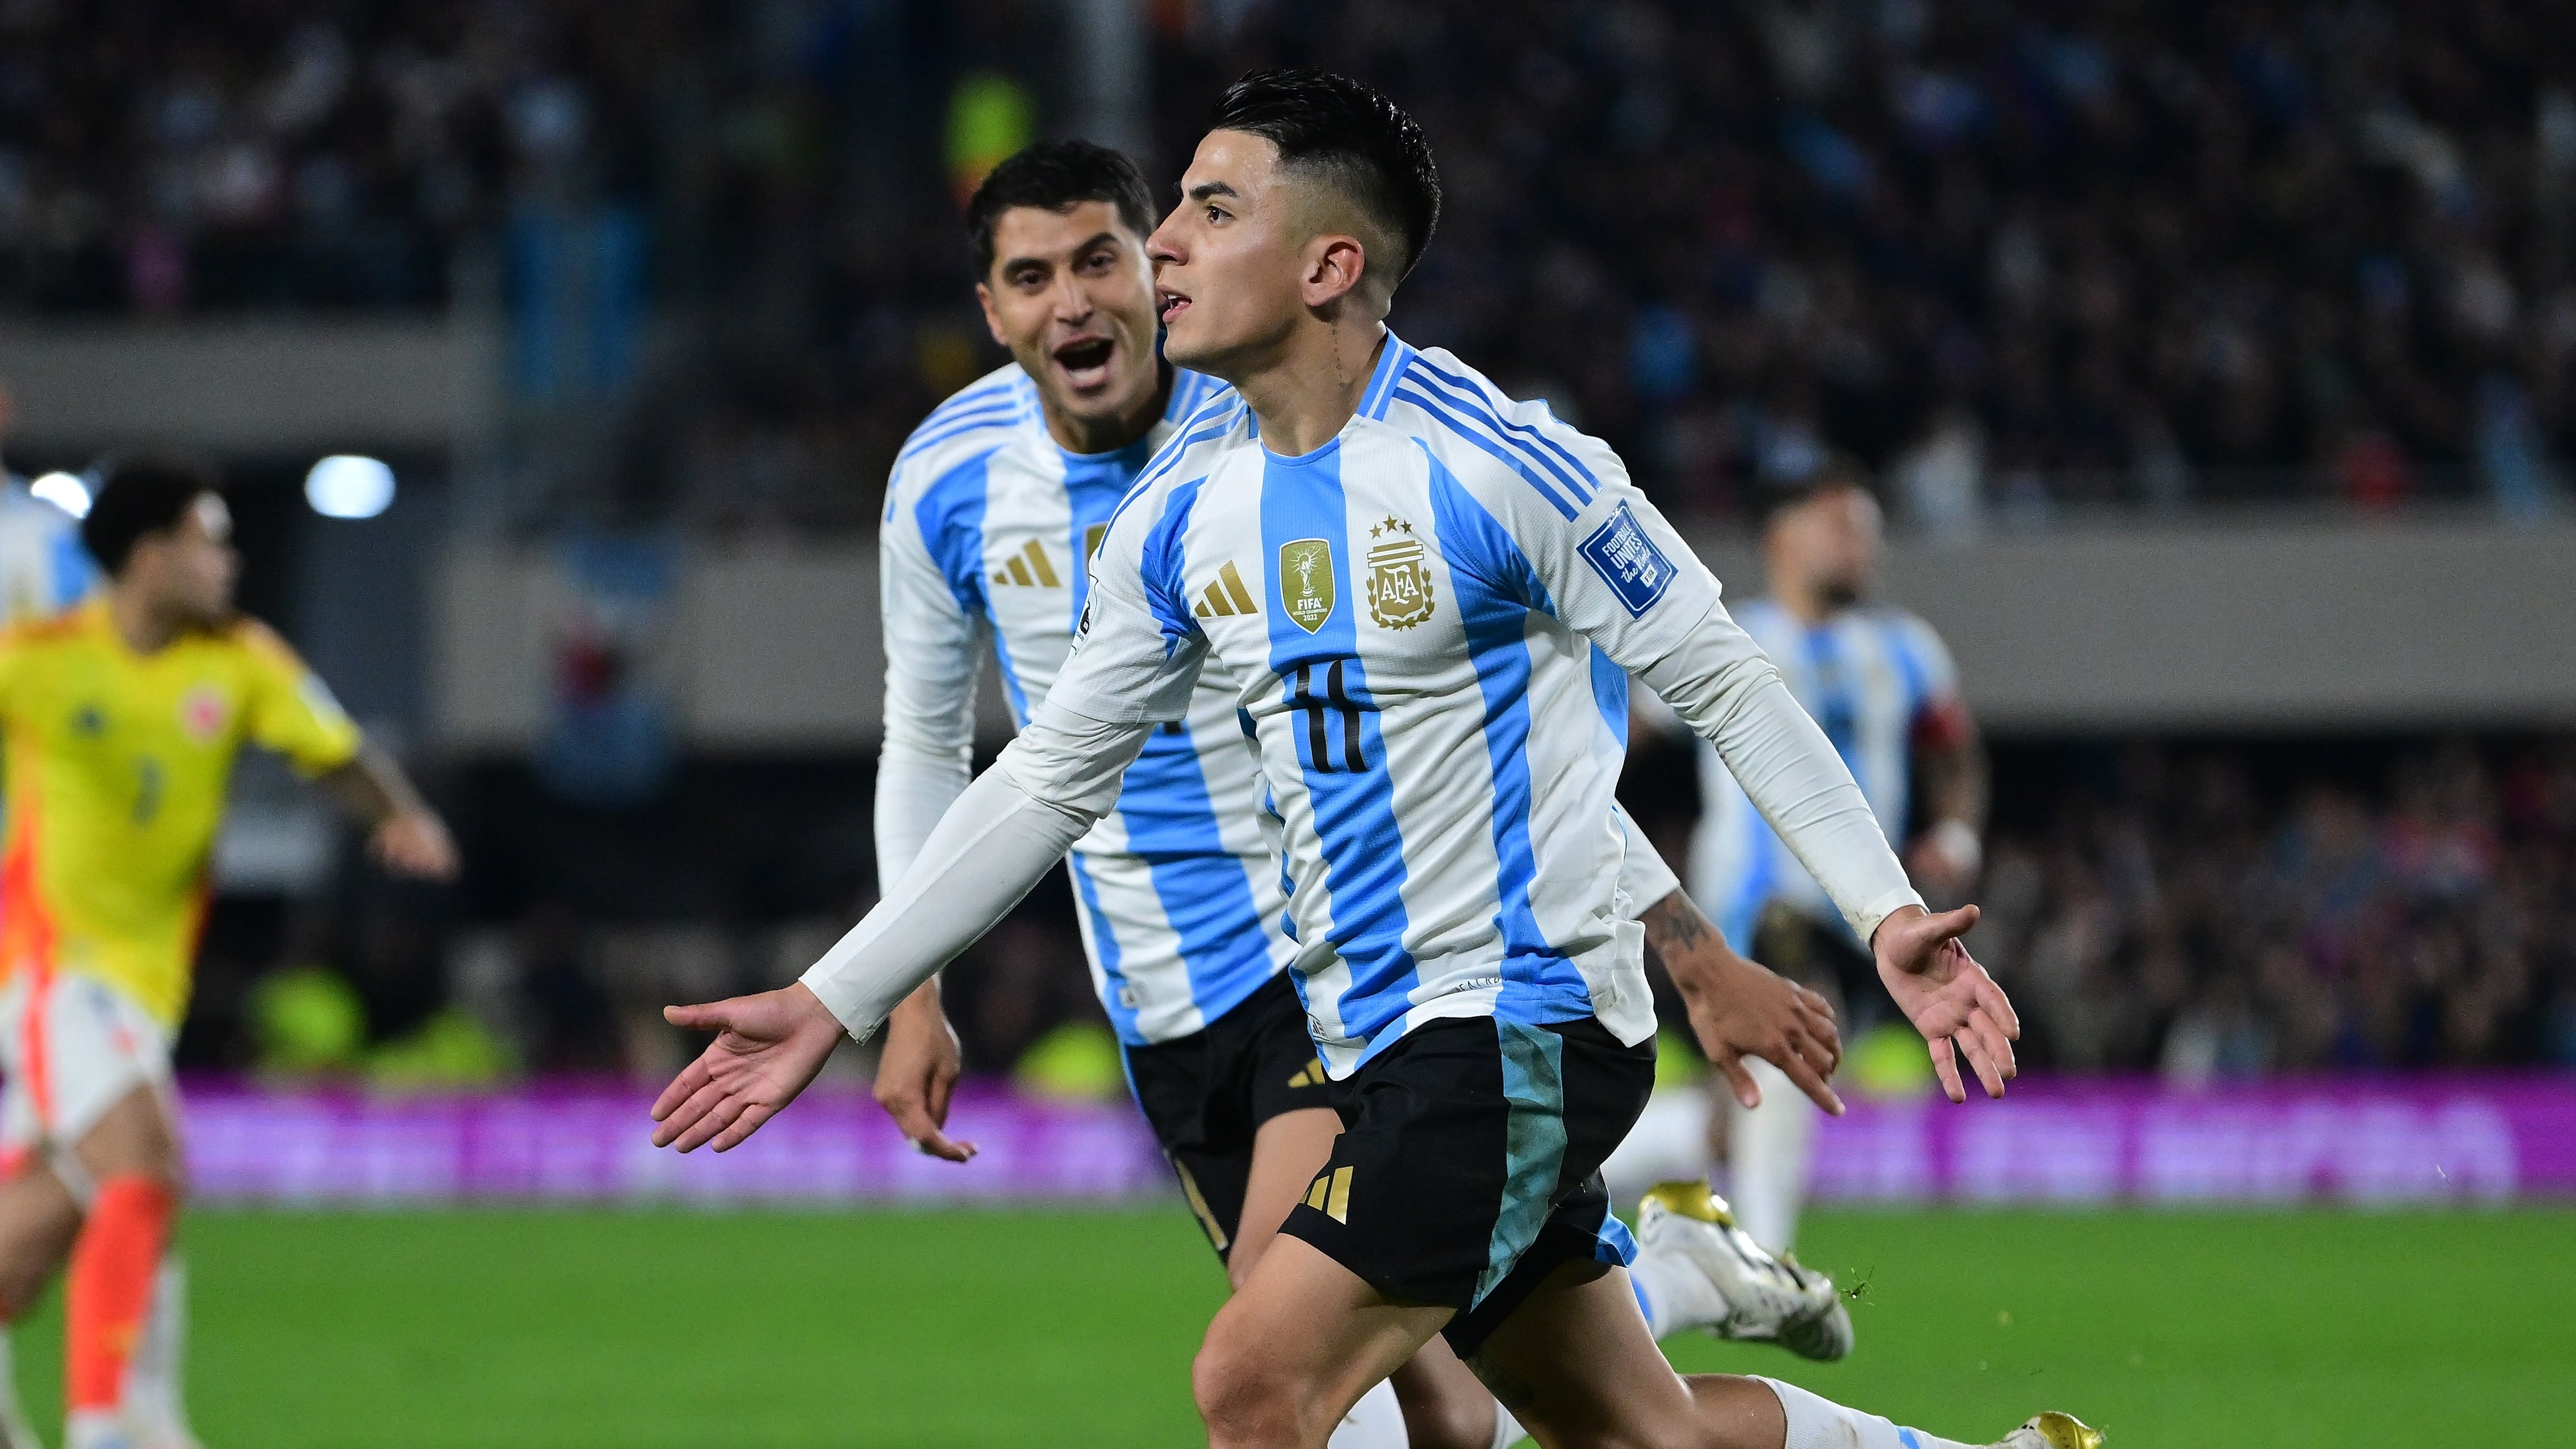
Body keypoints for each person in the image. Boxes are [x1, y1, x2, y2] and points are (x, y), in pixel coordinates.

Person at [653, 70, 2093, 1449]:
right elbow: (1045, 778)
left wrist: (1884, 911)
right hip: (1361, 1034)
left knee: (1253, 1380)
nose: (1164, 242)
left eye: (1212, 209)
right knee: (1618, 1425)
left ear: (1329, 266)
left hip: (1513, 1024)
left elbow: (1727, 682)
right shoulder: (1182, 516)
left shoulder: (1503, 466)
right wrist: (841, 994)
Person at [869, 139, 1849, 1449]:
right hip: (1160, 1008)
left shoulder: (1272, 422)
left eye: (1104, 258)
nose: (1076, 301)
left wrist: (1687, 945)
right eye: (1032, 276)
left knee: (1280, 1388)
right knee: (1485, 1419)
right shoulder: (947, 480)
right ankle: (1676, 1273)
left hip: (1324, 978)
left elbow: (1475, 756)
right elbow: (930, 746)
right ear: (991, 310)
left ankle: (1667, 1267)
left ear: (1155, 264)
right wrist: (908, 988)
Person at [0, 458, 459, 1449]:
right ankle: (112, 1429)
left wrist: (400, 815)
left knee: (38, 1231)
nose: (229, 560)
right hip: (49, 968)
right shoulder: (37, 659)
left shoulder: (240, 659)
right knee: (146, 1161)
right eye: (208, 540)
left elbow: (335, 752)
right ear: (149, 555)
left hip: (146, 985)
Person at [1670, 458, 1988, 1254]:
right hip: (1748, 902)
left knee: (1741, 1107)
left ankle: (1614, 1167)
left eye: (1868, 530)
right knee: (1791, 1053)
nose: (1861, 545)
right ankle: (1767, 1267)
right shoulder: (1718, 634)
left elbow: (1955, 755)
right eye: (1842, 526)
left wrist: (1955, 834)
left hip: (1865, 910)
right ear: (1782, 537)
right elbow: (1625, 731)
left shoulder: (1906, 648)